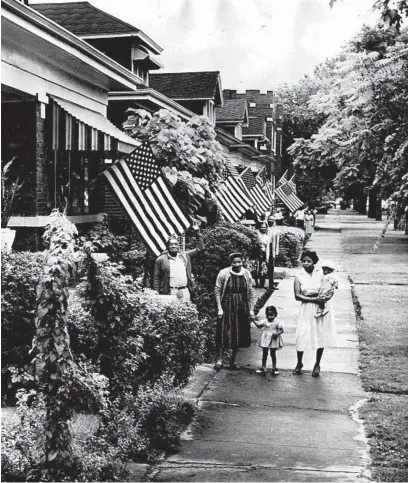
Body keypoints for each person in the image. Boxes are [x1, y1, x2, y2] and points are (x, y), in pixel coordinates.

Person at [293, 250, 337, 377]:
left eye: (309, 261)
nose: (306, 263)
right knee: (301, 334)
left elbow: (329, 286)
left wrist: (323, 298)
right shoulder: (299, 275)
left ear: (314, 262)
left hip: (321, 307)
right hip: (307, 307)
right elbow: (297, 295)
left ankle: (317, 363)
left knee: (320, 334)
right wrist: (313, 299)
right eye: (304, 261)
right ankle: (299, 362)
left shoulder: (321, 273)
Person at [214, 252, 255, 370]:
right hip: (227, 305)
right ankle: (220, 360)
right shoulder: (223, 273)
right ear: (231, 263)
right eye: (235, 262)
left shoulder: (247, 273)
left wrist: (251, 309)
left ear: (242, 262)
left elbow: (250, 292)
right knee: (224, 332)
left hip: (242, 306)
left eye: (239, 262)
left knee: (238, 333)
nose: (237, 264)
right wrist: (219, 309)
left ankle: (233, 361)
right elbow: (217, 291)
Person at [153, 222, 203, 302]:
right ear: (168, 246)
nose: (173, 246)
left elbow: (199, 248)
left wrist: (197, 231)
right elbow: (156, 277)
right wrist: (156, 292)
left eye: (175, 244)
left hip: (185, 291)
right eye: (171, 244)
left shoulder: (184, 255)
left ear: (178, 246)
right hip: (170, 292)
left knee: (186, 312)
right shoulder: (161, 259)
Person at [254, 305, 284, 376]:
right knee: (264, 353)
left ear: (275, 315)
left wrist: (277, 333)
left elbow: (281, 330)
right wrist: (253, 320)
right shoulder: (265, 321)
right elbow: (259, 326)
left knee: (272, 353)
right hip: (265, 339)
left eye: (271, 315)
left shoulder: (277, 322)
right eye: (268, 315)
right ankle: (263, 367)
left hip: (273, 339)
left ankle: (274, 367)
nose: (269, 317)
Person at [254, 223, 269, 288]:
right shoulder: (256, 236)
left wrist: (267, 257)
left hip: (264, 255)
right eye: (262, 227)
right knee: (256, 268)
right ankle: (256, 283)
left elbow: (268, 248)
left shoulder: (267, 237)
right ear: (259, 228)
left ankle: (262, 284)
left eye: (264, 227)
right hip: (257, 254)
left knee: (263, 269)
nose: (263, 229)